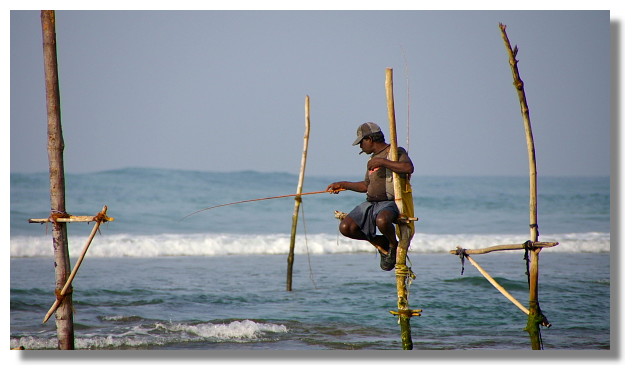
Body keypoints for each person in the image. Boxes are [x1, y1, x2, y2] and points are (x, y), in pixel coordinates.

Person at [327, 122, 414, 271]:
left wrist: (382, 162)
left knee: (382, 220)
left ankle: (393, 245)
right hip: (371, 203)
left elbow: (408, 168)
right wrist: (342, 184)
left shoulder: (395, 152)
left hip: (389, 203)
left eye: (361, 142)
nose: (360, 146)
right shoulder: (372, 159)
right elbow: (366, 186)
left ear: (369, 139)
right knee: (346, 228)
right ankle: (381, 240)